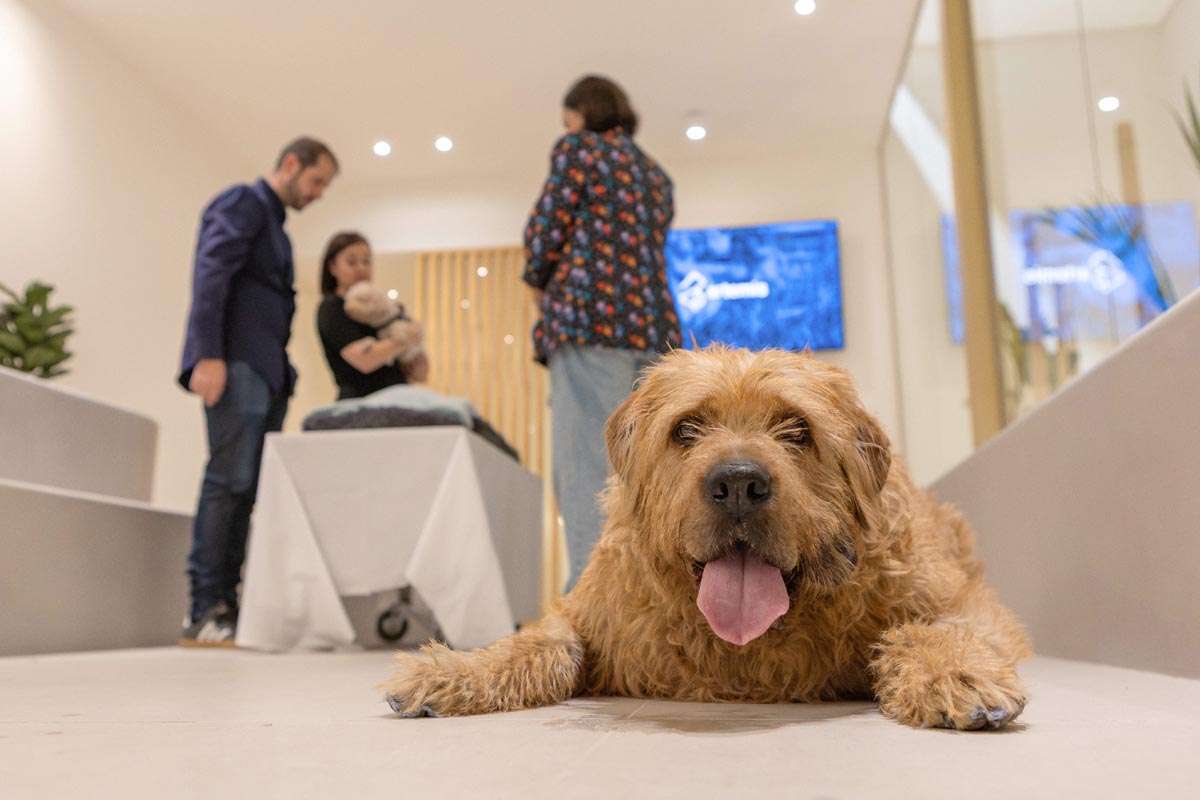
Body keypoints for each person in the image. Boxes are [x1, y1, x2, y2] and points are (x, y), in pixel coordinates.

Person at [522, 75, 682, 590]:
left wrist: (536, 282)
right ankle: (645, 597)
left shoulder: (578, 150)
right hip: (654, 332)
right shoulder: (655, 174)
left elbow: (544, 232)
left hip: (589, 321)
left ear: (579, 113)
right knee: (644, 470)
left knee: (589, 469)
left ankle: (595, 603)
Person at [177, 136, 338, 646]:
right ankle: (204, 609)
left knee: (246, 492)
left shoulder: (279, 231)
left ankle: (229, 604)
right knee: (227, 481)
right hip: (236, 365)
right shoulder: (243, 203)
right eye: (316, 181)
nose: (317, 194)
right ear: (290, 164)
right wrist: (208, 354)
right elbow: (211, 274)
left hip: (267, 373)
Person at [316, 231, 429, 399]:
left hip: (399, 397)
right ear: (332, 266)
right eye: (351, 262)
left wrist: (414, 348)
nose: (361, 268)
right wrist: (403, 339)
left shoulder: (389, 310)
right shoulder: (332, 308)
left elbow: (421, 373)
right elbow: (365, 361)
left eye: (366, 261)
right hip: (361, 403)